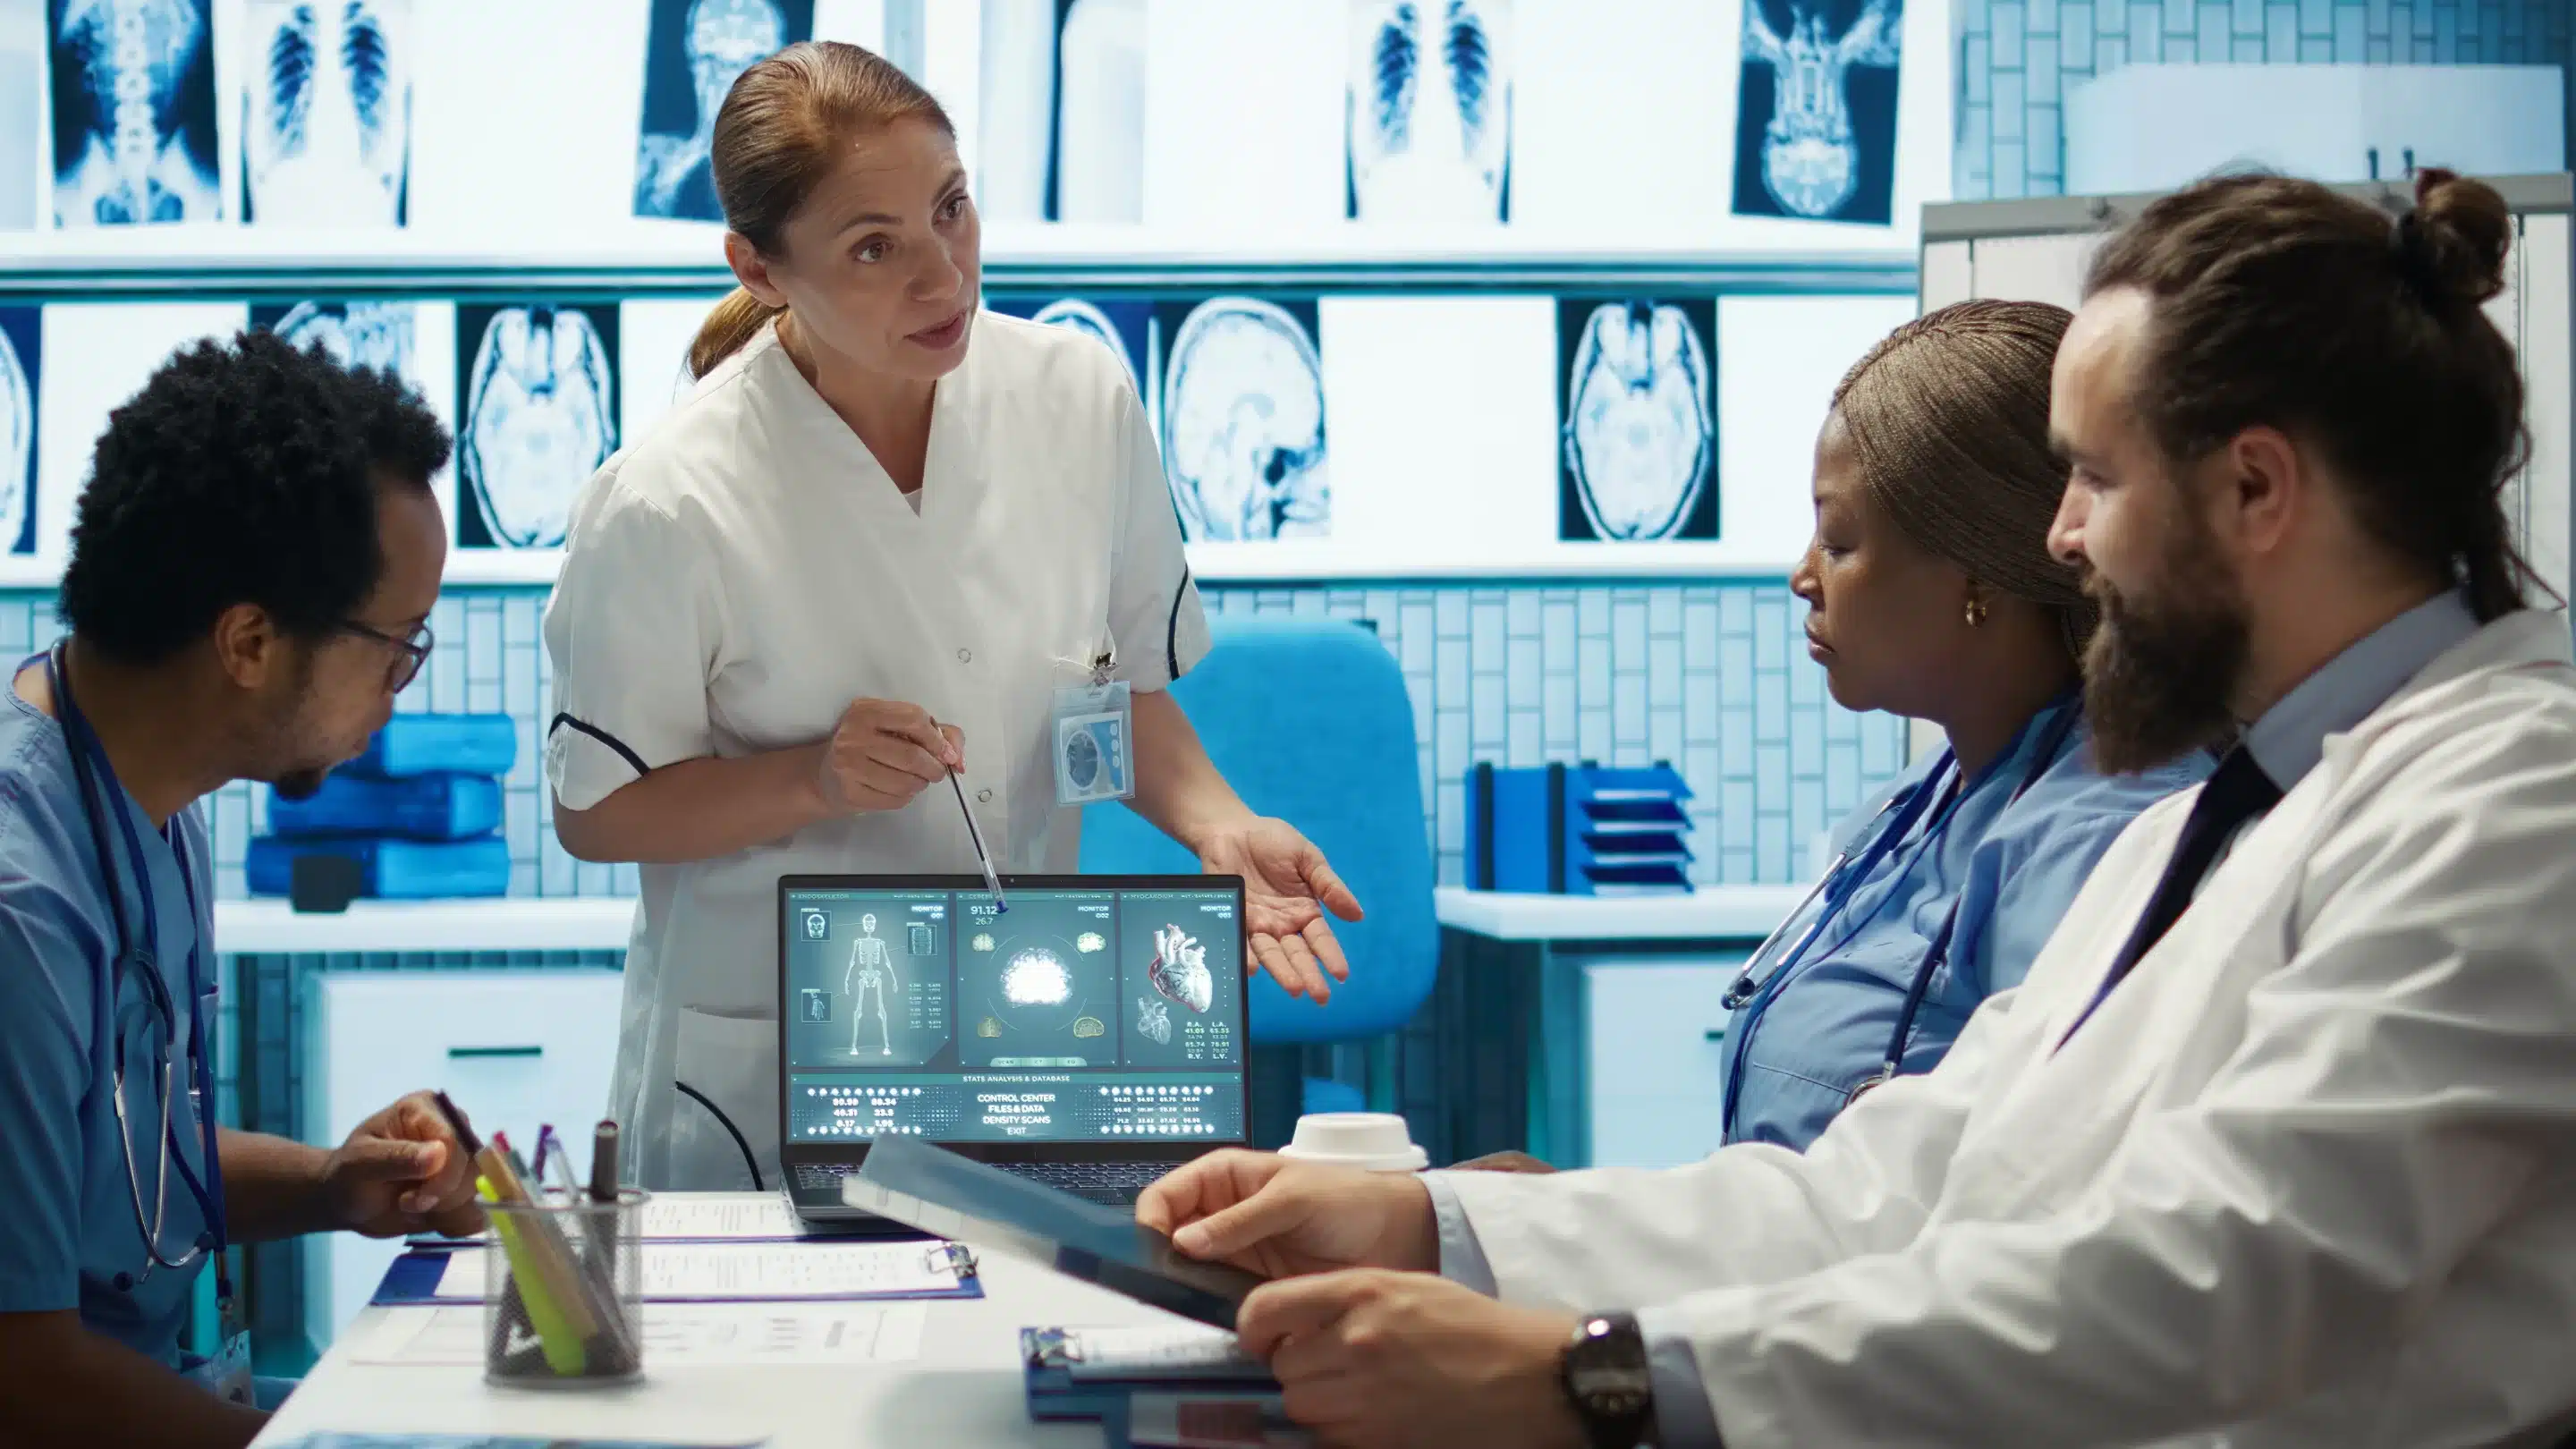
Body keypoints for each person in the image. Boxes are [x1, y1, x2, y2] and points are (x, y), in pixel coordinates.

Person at [1139, 167, 2576, 1448]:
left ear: (2256, 487)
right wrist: (1429, 1223)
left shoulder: (2518, 807)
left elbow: (2221, 1271)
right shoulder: (2212, 831)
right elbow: (1890, 1189)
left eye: (2091, 479)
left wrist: (1595, 1381)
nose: (2060, 540)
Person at [544, 41, 1362, 1191]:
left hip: (1029, 1045)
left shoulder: (1079, 402)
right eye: (873, 247)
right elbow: (599, 812)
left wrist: (1216, 825)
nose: (942, 278)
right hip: (764, 1081)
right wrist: (811, 780)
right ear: (760, 267)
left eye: (952, 211)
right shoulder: (669, 499)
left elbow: (1114, 689)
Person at [1470, 301, 2206, 1168]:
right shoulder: (1916, 807)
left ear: (1981, 572)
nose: (1803, 576)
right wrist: (1560, 1215)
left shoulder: (2099, 846)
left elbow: (2021, 1217)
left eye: (1841, 539)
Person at [0, 332, 486, 1447]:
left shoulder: (152, 796)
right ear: (251, 641)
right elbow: (21, 1369)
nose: (398, 695)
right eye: (397, 648)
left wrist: (329, 1185)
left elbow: (100, 1169)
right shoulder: (21, 905)